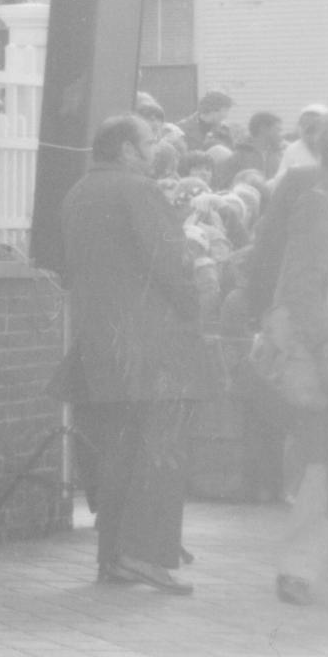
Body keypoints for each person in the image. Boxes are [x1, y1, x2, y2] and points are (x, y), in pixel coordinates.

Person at [55, 114, 209, 594]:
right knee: (157, 452)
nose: (154, 148)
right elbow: (170, 260)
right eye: (147, 141)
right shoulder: (138, 191)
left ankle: (116, 557)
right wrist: (195, 297)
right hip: (151, 346)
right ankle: (143, 555)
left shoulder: (79, 192)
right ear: (125, 149)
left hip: (102, 344)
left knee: (118, 454)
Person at [270, 106, 328, 605]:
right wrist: (326, 347)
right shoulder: (322, 204)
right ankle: (300, 566)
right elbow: (298, 284)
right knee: (327, 461)